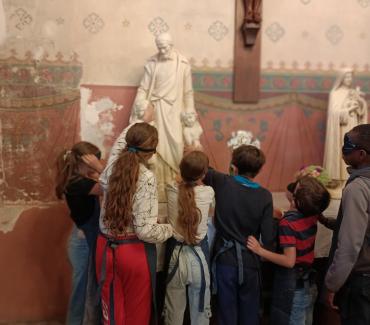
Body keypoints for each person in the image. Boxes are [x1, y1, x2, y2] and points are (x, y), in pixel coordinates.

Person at [96, 122, 173, 325]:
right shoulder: (146, 177)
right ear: (151, 152)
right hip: (132, 252)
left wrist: (138, 121)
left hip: (104, 248)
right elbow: (146, 231)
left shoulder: (112, 166)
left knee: (111, 312)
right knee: (136, 314)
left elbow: (121, 143)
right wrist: (169, 228)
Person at [203, 144, 274, 325]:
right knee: (250, 315)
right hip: (251, 261)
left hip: (225, 261)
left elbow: (203, 168)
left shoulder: (222, 181)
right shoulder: (265, 196)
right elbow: (268, 239)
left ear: (233, 166)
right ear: (259, 170)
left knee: (226, 314)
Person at [248, 176, 331, 325]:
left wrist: (259, 250)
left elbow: (289, 261)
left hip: (294, 289)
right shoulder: (313, 212)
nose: (291, 190)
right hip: (309, 284)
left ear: (297, 200)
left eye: (295, 190)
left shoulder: (288, 224)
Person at [130, 32, 202, 201]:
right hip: (155, 110)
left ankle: (175, 186)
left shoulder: (182, 64)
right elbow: (143, 88)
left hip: (175, 112)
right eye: (159, 48)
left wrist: (189, 113)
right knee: (154, 146)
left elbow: (188, 92)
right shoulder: (152, 63)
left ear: (172, 45)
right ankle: (156, 187)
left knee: (176, 146)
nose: (162, 51)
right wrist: (140, 103)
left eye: (165, 47)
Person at [325, 124, 370, 325]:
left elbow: (351, 244)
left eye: (347, 145)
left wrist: (333, 284)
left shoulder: (358, 188)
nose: (343, 150)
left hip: (361, 281)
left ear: (361, 154)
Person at [163, 151, 214, 325]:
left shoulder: (170, 188)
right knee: (200, 313)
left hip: (176, 256)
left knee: (173, 313)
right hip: (199, 256)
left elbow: (178, 180)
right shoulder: (208, 191)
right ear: (204, 174)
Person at [55, 141, 104, 325]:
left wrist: (95, 169)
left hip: (83, 238)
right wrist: (99, 168)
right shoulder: (78, 183)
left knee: (88, 289)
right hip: (82, 244)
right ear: (85, 161)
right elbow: (111, 186)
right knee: (81, 291)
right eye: (93, 160)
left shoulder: (80, 181)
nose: (96, 163)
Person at [323, 69, 368, 188]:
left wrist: (359, 104)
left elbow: (362, 110)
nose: (349, 80)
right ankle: (340, 182)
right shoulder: (336, 93)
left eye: (350, 77)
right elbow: (333, 113)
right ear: (342, 78)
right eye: (347, 77)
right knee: (344, 150)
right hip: (341, 129)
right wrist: (348, 109)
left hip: (353, 125)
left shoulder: (353, 92)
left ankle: (352, 178)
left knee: (354, 150)